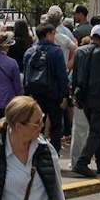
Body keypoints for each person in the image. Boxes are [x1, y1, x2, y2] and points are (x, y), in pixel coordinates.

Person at [69, 24, 100, 177]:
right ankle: (82, 162)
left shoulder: (80, 51)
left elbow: (75, 75)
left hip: (83, 95)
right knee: (96, 131)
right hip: (98, 96)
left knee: (95, 130)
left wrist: (75, 94)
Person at [22, 21, 71, 150]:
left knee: (35, 124)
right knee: (56, 126)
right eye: (53, 34)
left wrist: (27, 94)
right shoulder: (56, 51)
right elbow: (62, 76)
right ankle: (54, 153)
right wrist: (65, 95)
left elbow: (26, 75)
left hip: (35, 94)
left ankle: (35, 151)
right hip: (54, 94)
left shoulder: (29, 52)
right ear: (48, 34)